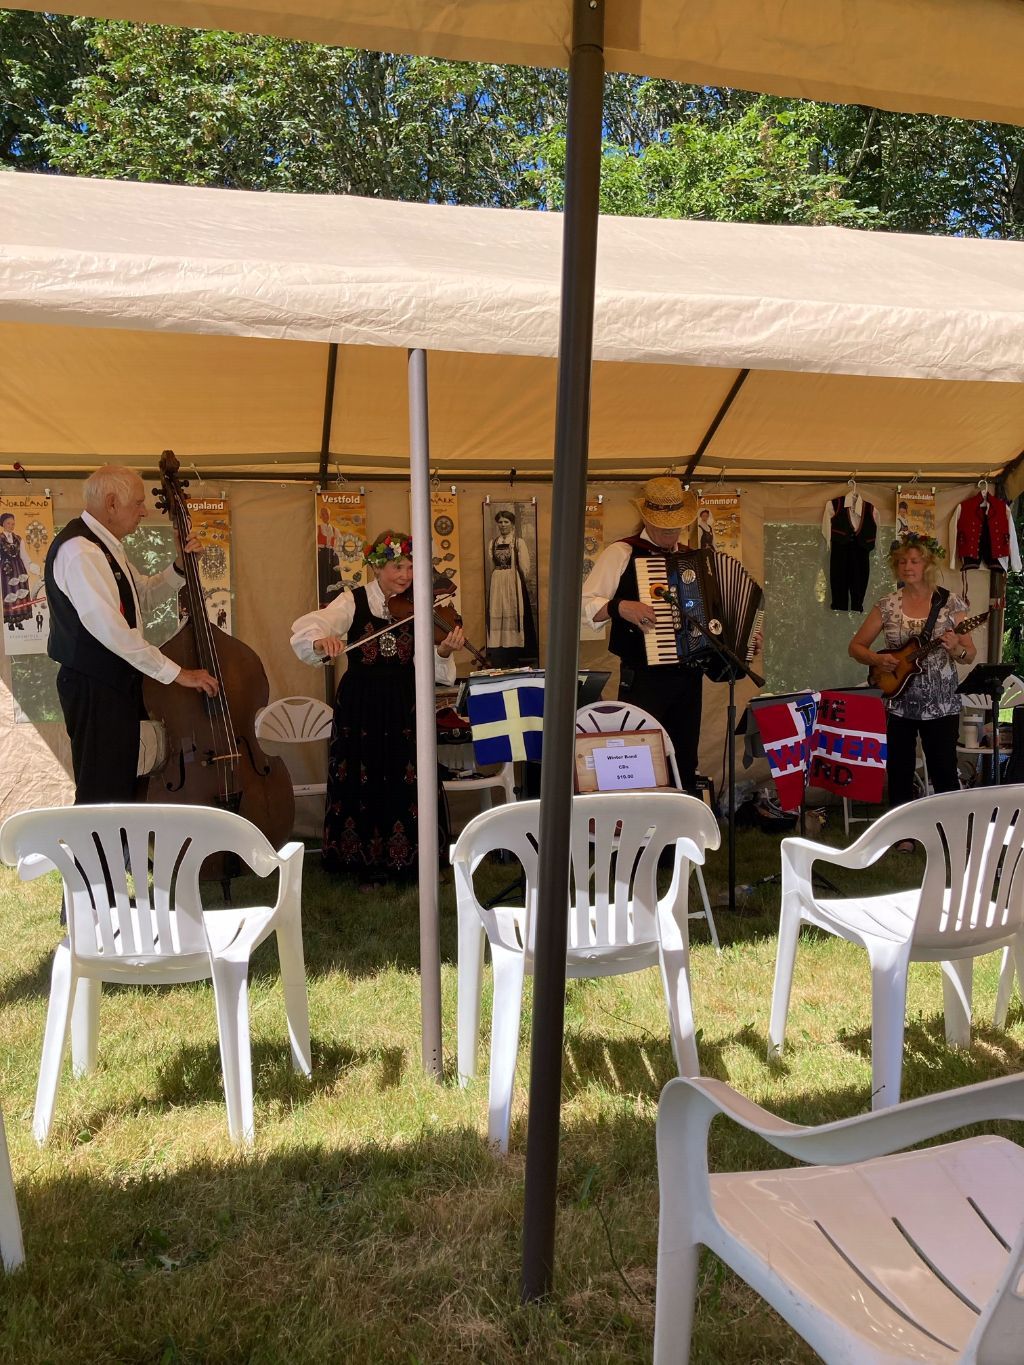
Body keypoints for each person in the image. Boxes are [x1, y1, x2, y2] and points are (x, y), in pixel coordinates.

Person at [290, 530, 464, 888]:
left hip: (404, 700)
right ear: (376, 567)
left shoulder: (421, 604)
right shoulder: (351, 601)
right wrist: (320, 640)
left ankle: (416, 858)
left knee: (409, 775)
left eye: (411, 567)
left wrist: (444, 651)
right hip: (361, 703)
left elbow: (432, 667)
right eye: (397, 567)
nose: (405, 575)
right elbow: (309, 625)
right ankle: (361, 860)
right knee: (361, 775)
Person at [43, 465, 219, 805]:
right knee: (103, 789)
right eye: (138, 503)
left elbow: (142, 597)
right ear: (111, 503)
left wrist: (180, 567)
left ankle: (121, 840)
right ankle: (97, 843)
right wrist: (178, 673)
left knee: (122, 782)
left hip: (112, 683)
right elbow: (112, 631)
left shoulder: (106, 547)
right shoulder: (81, 551)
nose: (144, 511)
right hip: (95, 686)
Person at [581, 477, 707, 792]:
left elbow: (713, 617)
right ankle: (640, 821)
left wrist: (741, 641)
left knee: (684, 761)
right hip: (644, 678)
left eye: (676, 526)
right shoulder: (622, 552)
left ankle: (680, 822)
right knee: (640, 758)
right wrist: (620, 606)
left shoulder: (693, 559)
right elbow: (583, 604)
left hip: (689, 678)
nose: (671, 533)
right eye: (665, 527)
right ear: (647, 519)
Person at [848, 533, 975, 845]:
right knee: (900, 770)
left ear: (927, 564)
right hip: (899, 700)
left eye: (915, 561)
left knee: (944, 769)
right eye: (902, 561)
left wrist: (956, 647)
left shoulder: (950, 603)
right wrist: (878, 659)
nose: (908, 566)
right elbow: (856, 647)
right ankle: (902, 835)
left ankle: (949, 832)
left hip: (942, 704)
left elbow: (969, 654)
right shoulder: (887, 605)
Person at [486, 509, 537, 666]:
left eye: (506, 522)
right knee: (498, 609)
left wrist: (515, 578)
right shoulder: (493, 543)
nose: (503, 525)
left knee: (513, 610)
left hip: (513, 581)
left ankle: (514, 649)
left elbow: (525, 567)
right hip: (498, 581)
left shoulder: (518, 542)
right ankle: (500, 649)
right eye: (500, 522)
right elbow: (491, 564)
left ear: (512, 524)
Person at [1, 512, 34, 633]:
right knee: (9, 593)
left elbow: (23, 555)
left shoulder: (19, 539)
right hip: (6, 570)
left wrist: (29, 567)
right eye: (8, 523)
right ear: (3, 524)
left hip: (19, 568)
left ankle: (19, 621)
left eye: (13, 524)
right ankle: (10, 621)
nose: (11, 526)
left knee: (20, 593)